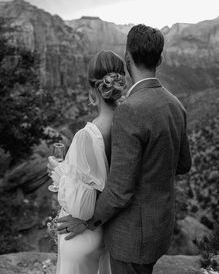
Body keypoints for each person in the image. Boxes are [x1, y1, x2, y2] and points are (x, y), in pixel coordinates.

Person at [57, 24, 192, 274]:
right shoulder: (176, 105)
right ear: (160, 59)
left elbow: (120, 191)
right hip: (160, 228)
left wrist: (87, 221)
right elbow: (183, 164)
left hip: (132, 237)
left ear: (127, 57)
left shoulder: (129, 111)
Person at [49, 50, 127, 274]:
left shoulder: (88, 135)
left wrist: (60, 174)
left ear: (94, 89)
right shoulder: (129, 125)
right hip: (113, 232)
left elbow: (81, 207)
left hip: (83, 237)